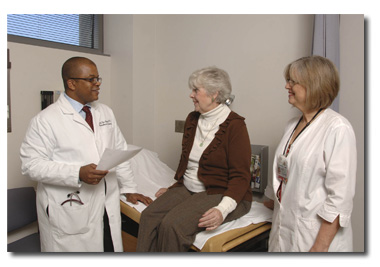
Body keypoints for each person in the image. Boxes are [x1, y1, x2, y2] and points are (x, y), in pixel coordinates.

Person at [20, 57, 152, 252]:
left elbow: (119, 151)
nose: (97, 84)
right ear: (71, 83)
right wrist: (77, 173)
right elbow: (31, 165)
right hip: (71, 205)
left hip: (107, 203)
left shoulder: (105, 112)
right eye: (91, 79)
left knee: (108, 247)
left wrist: (129, 187)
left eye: (98, 78)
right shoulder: (45, 120)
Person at [136, 66, 252, 252]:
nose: (191, 95)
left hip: (219, 191)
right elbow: (188, 162)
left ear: (215, 94)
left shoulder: (235, 126)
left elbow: (241, 176)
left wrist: (222, 210)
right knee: (149, 216)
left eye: (196, 90)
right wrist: (175, 188)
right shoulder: (193, 119)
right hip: (188, 187)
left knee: (172, 225)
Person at [263, 55, 357, 252]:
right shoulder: (291, 125)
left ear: (314, 85)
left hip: (315, 240)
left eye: (292, 81)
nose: (287, 86)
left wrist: (319, 247)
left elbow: (340, 199)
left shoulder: (337, 128)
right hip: (283, 232)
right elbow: (287, 171)